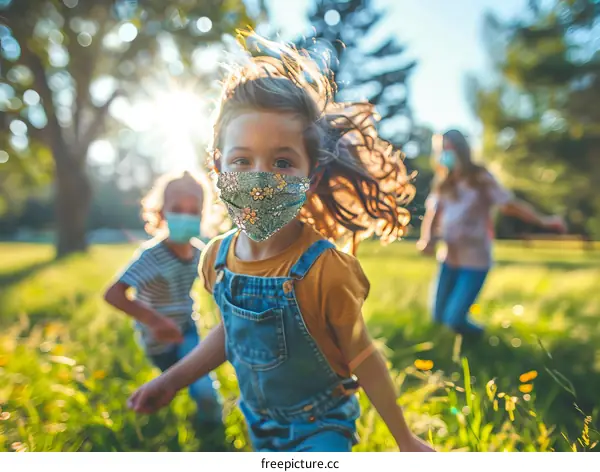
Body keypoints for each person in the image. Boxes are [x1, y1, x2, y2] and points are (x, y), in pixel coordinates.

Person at [127, 33, 433, 453]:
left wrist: (406, 439)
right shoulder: (216, 259)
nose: (260, 178)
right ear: (217, 167)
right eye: (242, 160)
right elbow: (230, 335)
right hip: (259, 425)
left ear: (314, 176)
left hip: (321, 425)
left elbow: (363, 357)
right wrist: (172, 380)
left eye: (283, 162)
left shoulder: (326, 270)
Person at [104, 171, 223, 430]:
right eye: (178, 209)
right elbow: (113, 294)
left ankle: (212, 430)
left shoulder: (200, 255)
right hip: (157, 339)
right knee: (170, 384)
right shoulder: (151, 256)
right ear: (161, 213)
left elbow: (218, 285)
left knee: (203, 387)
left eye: (194, 210)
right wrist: (155, 321)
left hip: (187, 330)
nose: (186, 215)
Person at [417, 129, 566, 335]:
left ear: (462, 150)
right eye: (442, 150)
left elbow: (509, 205)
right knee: (438, 317)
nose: (445, 154)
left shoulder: (480, 178)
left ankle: (480, 336)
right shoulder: (443, 182)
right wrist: (428, 239)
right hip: (449, 259)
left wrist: (544, 221)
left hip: (475, 262)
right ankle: (456, 346)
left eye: (449, 148)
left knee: (453, 320)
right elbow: (433, 213)